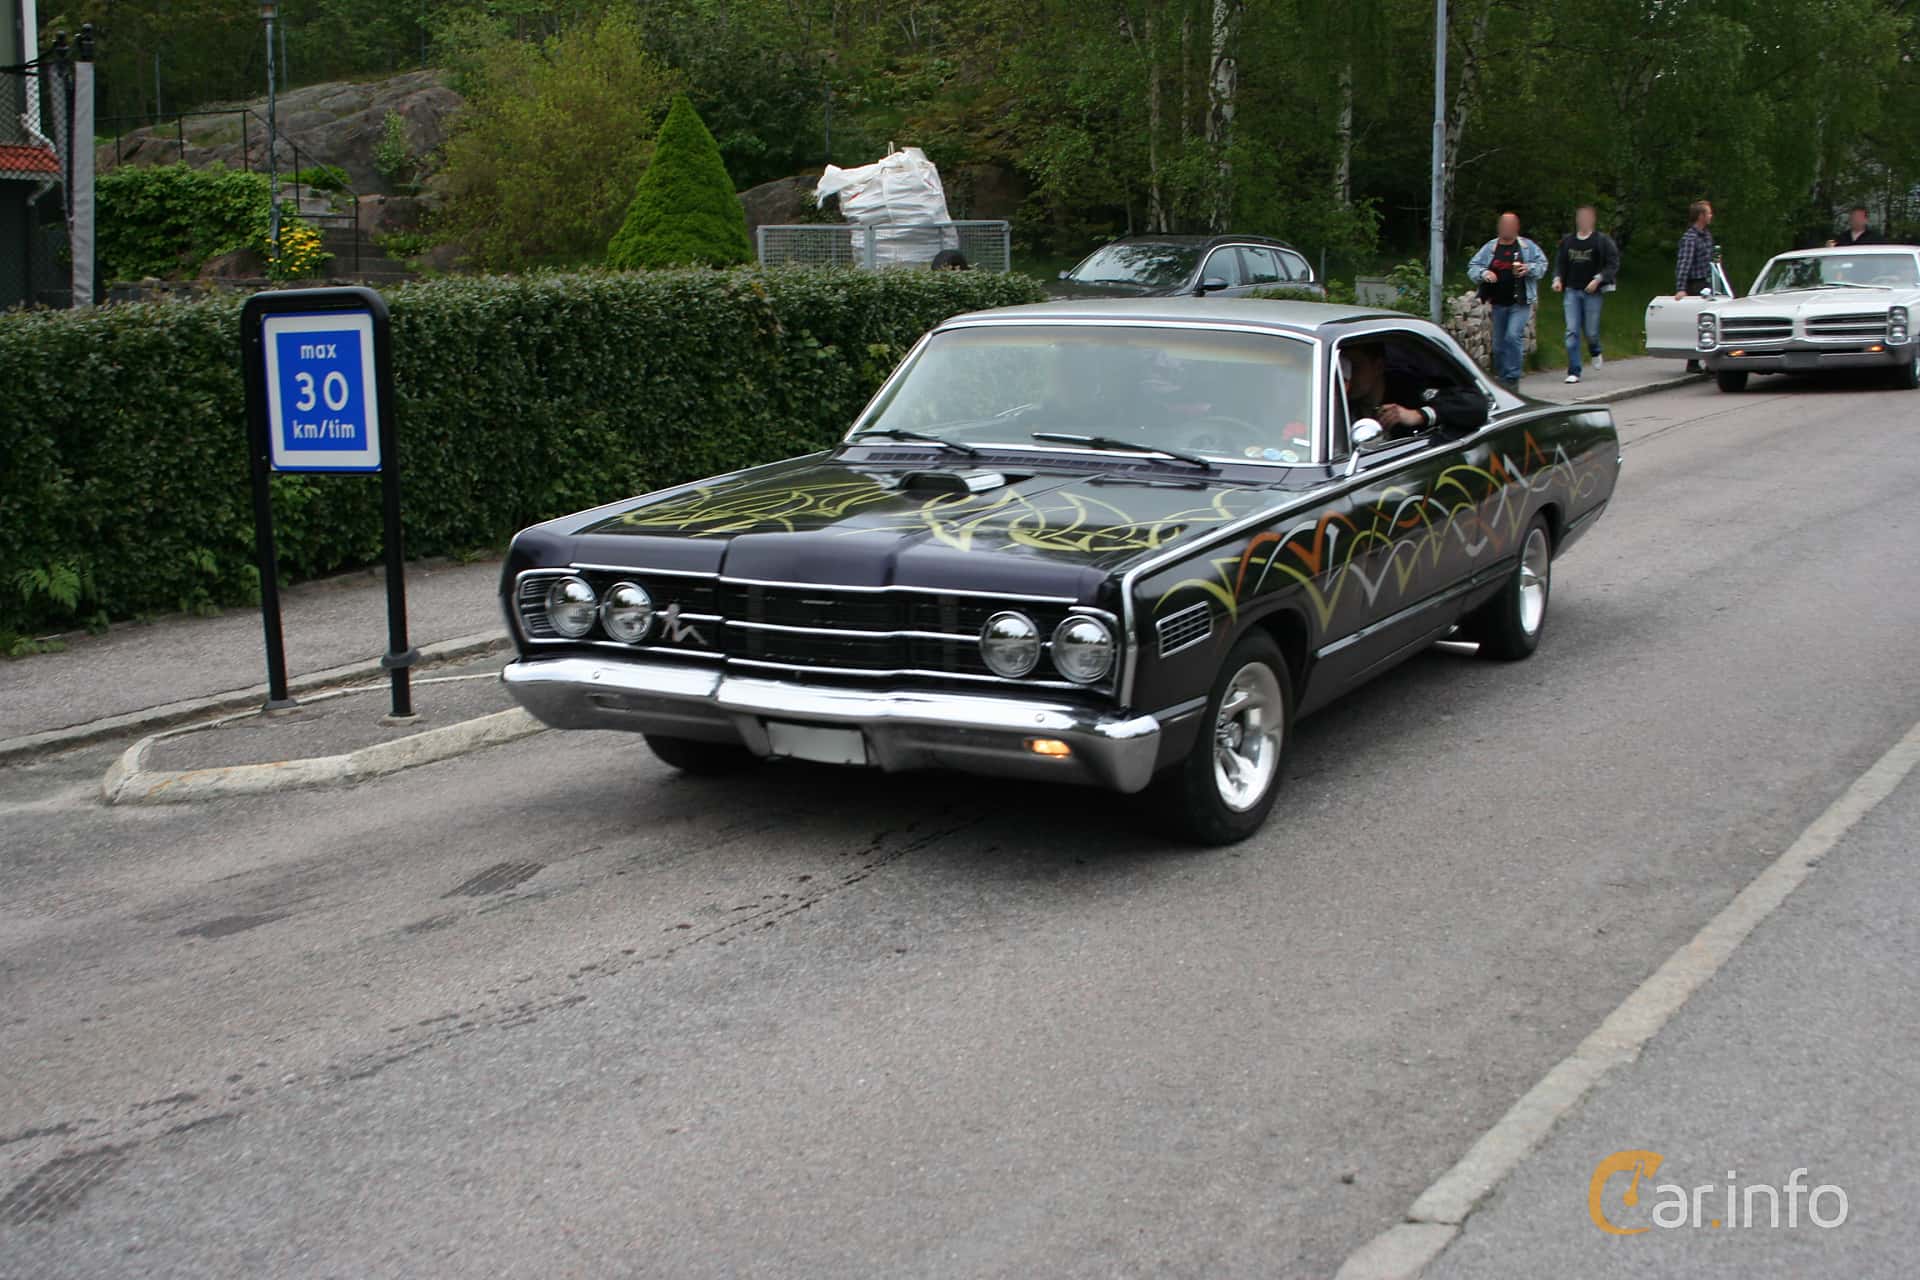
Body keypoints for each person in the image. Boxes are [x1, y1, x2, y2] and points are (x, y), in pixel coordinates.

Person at [1466, 213, 1550, 391]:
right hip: (1498, 302)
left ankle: (1512, 378)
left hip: (1520, 301)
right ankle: (1503, 379)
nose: (1507, 228)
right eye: (1504, 225)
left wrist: (1528, 268)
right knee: (1498, 345)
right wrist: (1484, 274)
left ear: (1517, 228)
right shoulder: (1490, 247)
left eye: (1511, 225)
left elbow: (1542, 265)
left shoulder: (1527, 247)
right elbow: (1473, 267)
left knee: (1513, 336)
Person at [1342, 342, 1489, 443]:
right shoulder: (1331, 401)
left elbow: (1475, 406)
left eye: (1355, 366)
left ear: (1378, 366)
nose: (1346, 376)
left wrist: (1419, 415)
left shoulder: (1411, 389)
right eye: (1341, 368)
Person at [1551, 205, 1619, 385]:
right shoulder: (1568, 241)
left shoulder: (1601, 241)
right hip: (1572, 291)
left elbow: (1612, 264)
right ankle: (1574, 370)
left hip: (1592, 292)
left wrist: (1598, 279)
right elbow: (1561, 262)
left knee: (1591, 331)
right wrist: (1557, 279)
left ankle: (1595, 350)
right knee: (1571, 331)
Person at [1674, 200, 1715, 372]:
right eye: (1709, 213)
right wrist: (1681, 287)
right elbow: (1684, 263)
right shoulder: (1690, 238)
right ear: (1701, 216)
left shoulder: (1706, 235)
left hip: (1707, 282)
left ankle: (1710, 361)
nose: (1711, 216)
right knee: (1697, 322)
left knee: (1709, 322)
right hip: (1695, 284)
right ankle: (1692, 362)